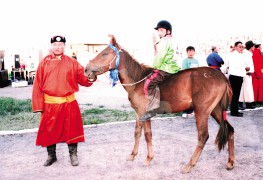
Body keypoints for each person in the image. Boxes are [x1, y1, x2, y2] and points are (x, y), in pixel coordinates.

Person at [32, 35, 96, 166]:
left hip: (69, 103)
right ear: (51, 46)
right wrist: (39, 106)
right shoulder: (44, 62)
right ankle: (52, 156)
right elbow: (37, 85)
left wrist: (90, 77)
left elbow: (82, 78)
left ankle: (73, 155)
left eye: (60, 45)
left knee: (71, 129)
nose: (57, 47)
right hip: (50, 104)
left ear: (64, 46)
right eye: (55, 44)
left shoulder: (72, 62)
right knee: (49, 130)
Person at [139, 20, 181, 121]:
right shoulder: (172, 40)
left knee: (148, 83)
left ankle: (152, 109)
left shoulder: (164, 41)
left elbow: (160, 56)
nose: (159, 33)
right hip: (174, 67)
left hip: (166, 67)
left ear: (168, 31)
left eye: (161, 30)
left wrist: (155, 67)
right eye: (158, 30)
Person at [226, 41, 247, 117]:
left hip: (239, 76)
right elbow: (240, 66)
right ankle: (234, 112)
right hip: (235, 76)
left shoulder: (240, 55)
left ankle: (235, 110)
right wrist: (245, 68)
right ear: (235, 47)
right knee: (235, 95)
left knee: (236, 95)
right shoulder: (233, 55)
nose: (241, 48)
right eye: (239, 46)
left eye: (242, 46)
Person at [181, 46, 199, 118]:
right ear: (187, 52)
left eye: (192, 51)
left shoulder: (196, 60)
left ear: (194, 52)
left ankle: (191, 111)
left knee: (193, 96)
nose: (191, 53)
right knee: (186, 97)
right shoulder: (185, 61)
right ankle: (184, 111)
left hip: (195, 81)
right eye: (189, 51)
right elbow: (184, 71)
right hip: (187, 80)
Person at [239, 40, 256, 110]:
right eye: (253, 46)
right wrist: (246, 69)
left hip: (246, 73)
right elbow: (244, 63)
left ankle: (245, 103)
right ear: (251, 47)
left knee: (245, 89)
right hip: (246, 73)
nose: (254, 47)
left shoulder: (247, 53)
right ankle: (246, 103)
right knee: (245, 89)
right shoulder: (247, 54)